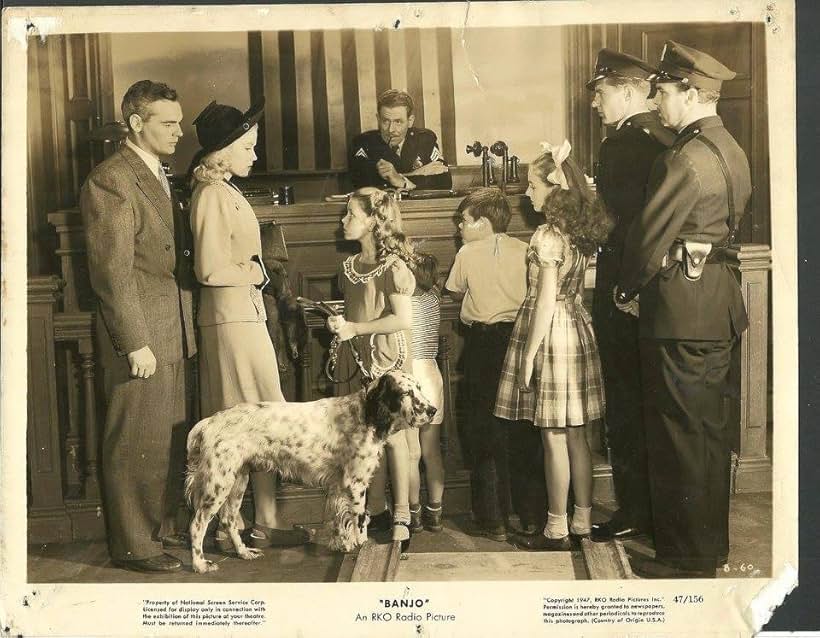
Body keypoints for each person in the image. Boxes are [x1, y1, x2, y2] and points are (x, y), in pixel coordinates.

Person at [615, 41, 751, 579]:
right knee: (706, 436)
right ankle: (706, 549)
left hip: (678, 310)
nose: (658, 101)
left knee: (678, 437)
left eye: (665, 92)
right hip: (715, 304)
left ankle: (685, 559)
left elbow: (649, 238)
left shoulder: (683, 157)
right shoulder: (731, 149)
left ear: (692, 93)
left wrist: (626, 291)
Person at [80, 80, 196, 573]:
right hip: (142, 332)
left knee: (162, 435)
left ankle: (155, 534)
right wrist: (135, 342)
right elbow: (113, 271)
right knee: (135, 438)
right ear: (135, 124)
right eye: (167, 123)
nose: (178, 131)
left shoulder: (154, 173)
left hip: (170, 325)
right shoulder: (111, 180)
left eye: (179, 121)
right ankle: (135, 545)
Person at [189, 99, 309, 550]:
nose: (255, 156)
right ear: (224, 152)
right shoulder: (212, 196)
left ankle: (260, 520)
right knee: (244, 424)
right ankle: (236, 527)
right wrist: (258, 272)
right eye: (249, 147)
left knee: (257, 422)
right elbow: (209, 270)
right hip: (231, 321)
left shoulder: (225, 191)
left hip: (243, 317)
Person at [495, 141, 612, 551]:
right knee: (579, 435)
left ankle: (556, 528)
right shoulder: (577, 233)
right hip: (578, 327)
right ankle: (583, 521)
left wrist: (528, 354)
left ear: (553, 189)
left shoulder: (548, 235)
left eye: (532, 185)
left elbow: (545, 301)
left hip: (551, 333)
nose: (527, 193)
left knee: (554, 437)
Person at [586, 49, 676, 543]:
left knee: (625, 402)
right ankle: (656, 510)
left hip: (623, 290)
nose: (597, 103)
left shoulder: (622, 144)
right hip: (654, 292)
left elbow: (610, 227)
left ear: (625, 90)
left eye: (601, 93)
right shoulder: (661, 137)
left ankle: (633, 510)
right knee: (653, 400)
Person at [445, 187, 547, 542]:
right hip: (520, 343)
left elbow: (454, 289)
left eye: (465, 221)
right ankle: (531, 514)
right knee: (522, 428)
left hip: (483, 345)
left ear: (484, 224)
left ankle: (492, 517)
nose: (459, 226)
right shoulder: (526, 249)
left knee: (483, 428)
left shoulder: (467, 252)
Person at [327, 187, 417, 549]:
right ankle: (374, 509)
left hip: (388, 358)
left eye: (351, 214)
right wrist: (340, 324)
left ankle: (403, 515)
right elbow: (354, 312)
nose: (343, 220)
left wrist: (356, 328)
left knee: (394, 437)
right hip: (359, 358)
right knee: (368, 435)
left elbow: (402, 319)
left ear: (373, 222)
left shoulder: (393, 268)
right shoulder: (348, 268)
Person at [406, 252, 446, 533]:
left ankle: (413, 512)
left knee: (411, 452)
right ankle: (435, 510)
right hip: (432, 375)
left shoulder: (405, 304)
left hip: (411, 376)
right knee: (431, 451)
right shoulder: (434, 298)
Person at [349, 89, 452, 191]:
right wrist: (415, 174)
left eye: (398, 122)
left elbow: (445, 182)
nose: (391, 130)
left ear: (410, 121)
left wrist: (400, 179)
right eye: (385, 121)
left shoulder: (425, 140)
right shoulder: (364, 143)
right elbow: (361, 184)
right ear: (378, 119)